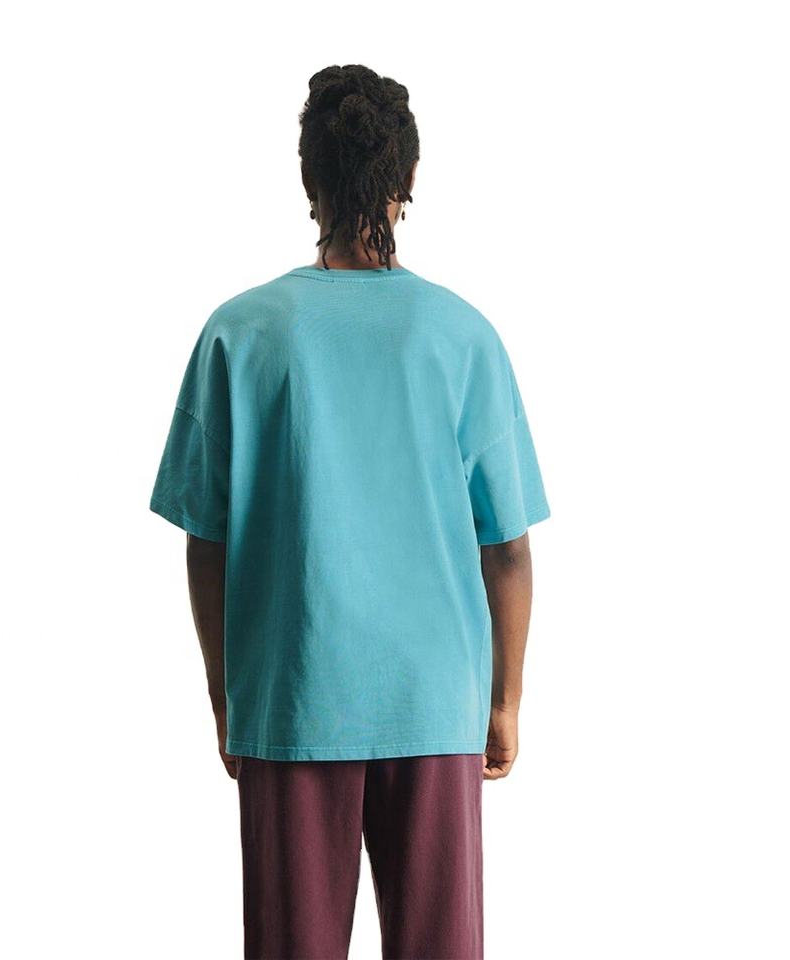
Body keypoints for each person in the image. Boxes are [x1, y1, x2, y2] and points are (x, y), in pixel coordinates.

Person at [150, 63, 551, 960]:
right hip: (433, 698)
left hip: (293, 694)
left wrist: (225, 694)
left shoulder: (240, 333)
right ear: (409, 178)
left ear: (308, 178)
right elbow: (508, 548)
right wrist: (504, 702)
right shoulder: (462, 335)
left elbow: (206, 541)